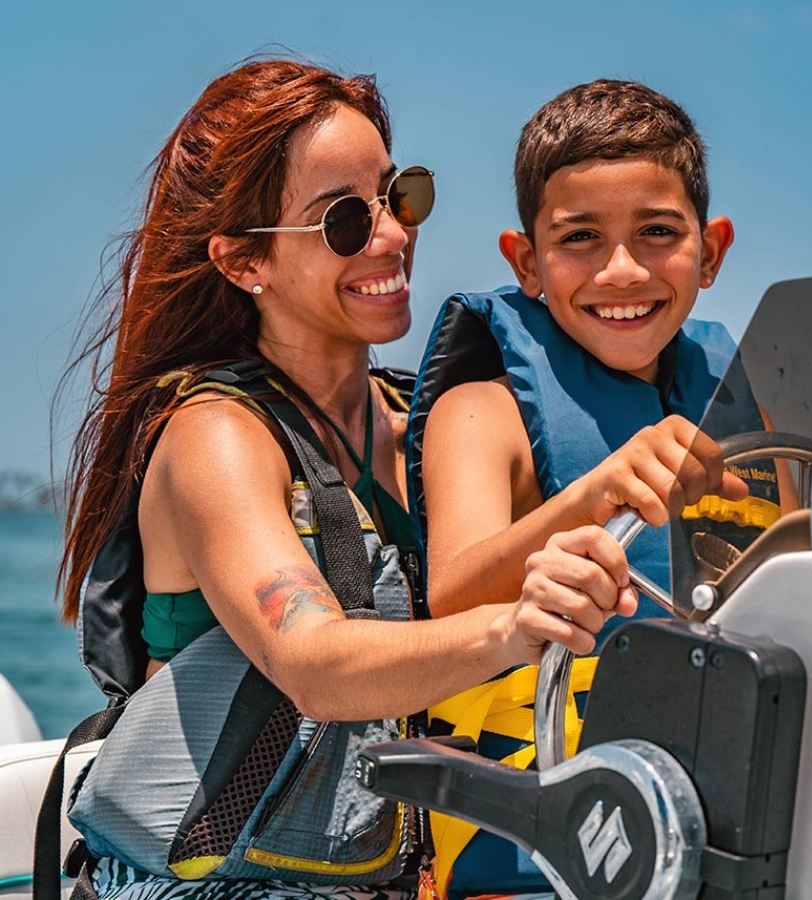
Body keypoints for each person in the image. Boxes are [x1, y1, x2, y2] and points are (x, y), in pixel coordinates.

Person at [52, 59, 634, 900]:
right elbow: (315, 662)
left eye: (399, 197)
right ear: (245, 260)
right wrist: (515, 628)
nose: (393, 237)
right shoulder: (215, 437)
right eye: (344, 221)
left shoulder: (432, 424)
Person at [405, 78, 793, 899]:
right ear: (527, 262)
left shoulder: (747, 403)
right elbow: (450, 595)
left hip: (729, 827)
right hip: (541, 845)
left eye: (658, 233)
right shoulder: (482, 413)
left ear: (711, 250)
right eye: (580, 238)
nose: (622, 271)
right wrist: (593, 497)